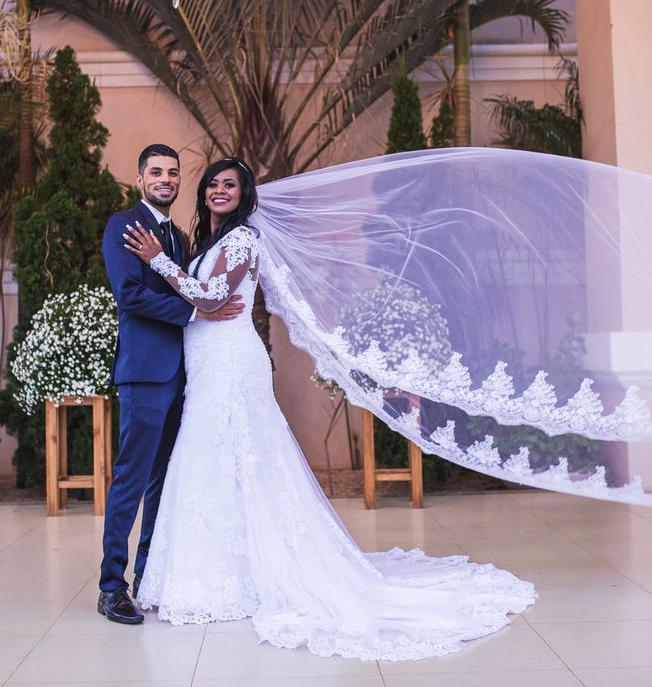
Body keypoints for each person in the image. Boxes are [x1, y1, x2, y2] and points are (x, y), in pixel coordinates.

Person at [120, 157, 537, 660]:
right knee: (208, 460)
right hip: (206, 364)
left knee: (239, 456)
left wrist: (158, 261)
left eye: (229, 185)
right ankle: (215, 573)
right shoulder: (204, 242)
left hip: (232, 363)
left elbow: (210, 300)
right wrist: (189, 284)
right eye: (212, 184)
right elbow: (204, 300)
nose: (218, 191)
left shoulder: (244, 240)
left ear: (245, 193)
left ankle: (250, 577)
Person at [96, 144, 245, 625]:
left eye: (173, 173)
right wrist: (193, 310)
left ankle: (147, 577)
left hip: (185, 376)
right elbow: (130, 295)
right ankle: (111, 587)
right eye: (156, 172)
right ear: (140, 179)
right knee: (131, 481)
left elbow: (188, 282)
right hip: (144, 374)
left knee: (163, 484)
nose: (165, 179)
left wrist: (199, 304)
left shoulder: (179, 239)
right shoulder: (123, 226)